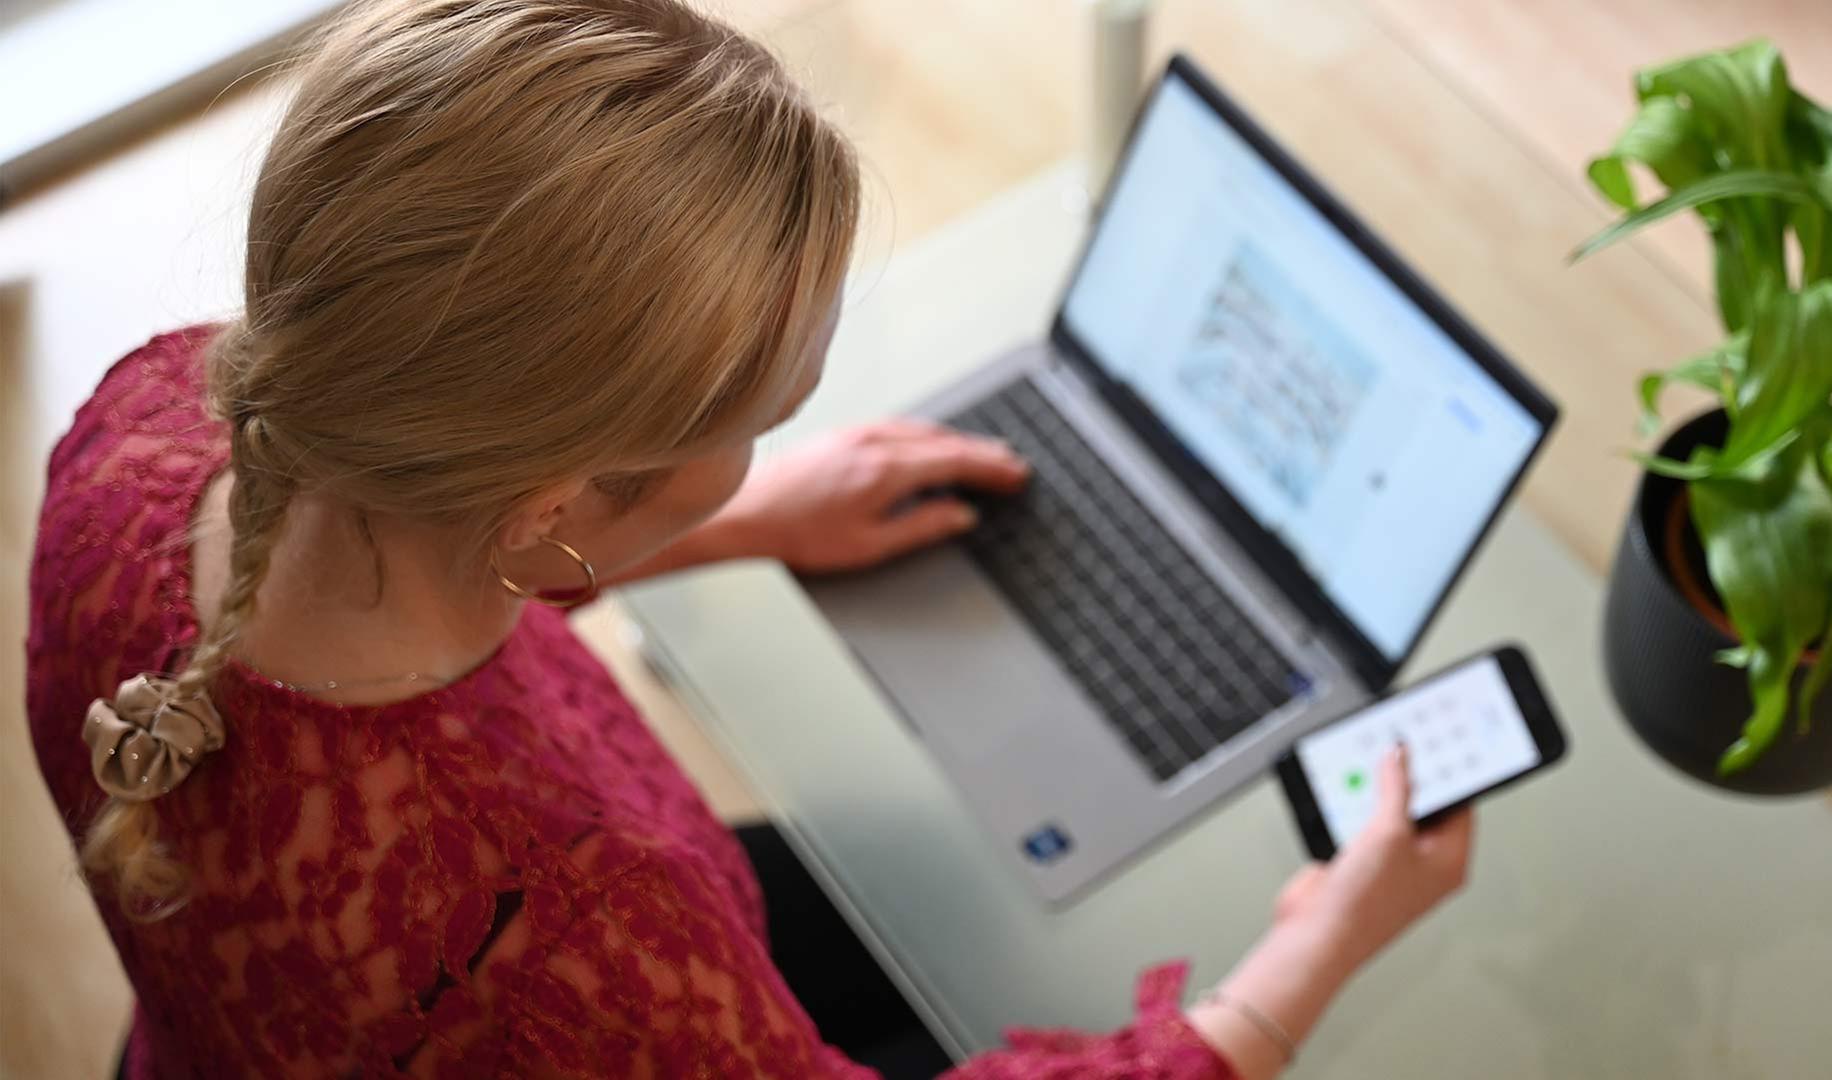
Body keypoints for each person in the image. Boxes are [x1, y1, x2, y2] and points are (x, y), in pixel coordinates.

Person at [24, 1, 1472, 1076]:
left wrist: (743, 521)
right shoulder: (591, 923)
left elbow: (402, 563)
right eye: (761, 416)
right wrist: (1307, 954)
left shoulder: (156, 424)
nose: (770, 442)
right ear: (554, 500)